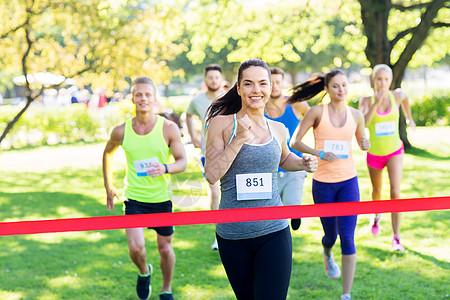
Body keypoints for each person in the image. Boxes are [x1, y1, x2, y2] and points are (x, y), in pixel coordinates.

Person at [204, 58, 317, 300]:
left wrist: (303, 163)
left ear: (270, 87)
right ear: (238, 88)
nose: (257, 90)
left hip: (274, 230)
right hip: (233, 235)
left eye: (262, 83)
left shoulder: (277, 129)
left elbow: (284, 159)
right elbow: (212, 175)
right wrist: (238, 139)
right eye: (249, 84)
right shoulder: (222, 124)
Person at [102, 76, 187, 300]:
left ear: (154, 98)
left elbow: (182, 162)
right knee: (136, 248)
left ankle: (166, 288)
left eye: (148, 94)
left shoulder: (168, 128)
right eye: (138, 94)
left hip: (161, 198)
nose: (143, 99)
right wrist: (108, 185)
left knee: (165, 249)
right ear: (132, 98)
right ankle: (144, 271)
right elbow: (107, 153)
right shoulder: (121, 131)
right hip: (134, 198)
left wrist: (165, 168)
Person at [289, 69, 370, 300]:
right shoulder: (316, 112)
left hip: (348, 183)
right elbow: (295, 141)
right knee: (330, 236)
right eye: (335, 86)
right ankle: (327, 253)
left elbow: (363, 145)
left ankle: (346, 294)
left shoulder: (356, 115)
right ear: (326, 88)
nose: (341, 90)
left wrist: (366, 142)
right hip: (323, 184)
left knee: (348, 237)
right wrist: (319, 153)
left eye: (344, 85)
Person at [358, 64, 415, 251]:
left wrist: (409, 118)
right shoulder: (365, 100)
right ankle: (376, 215)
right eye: (379, 79)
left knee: (395, 192)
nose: (382, 83)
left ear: (391, 80)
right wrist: (376, 102)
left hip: (394, 152)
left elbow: (405, 99)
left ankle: (396, 237)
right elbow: (364, 123)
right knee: (377, 191)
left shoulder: (396, 96)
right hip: (374, 154)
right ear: (373, 80)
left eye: (386, 79)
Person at [264, 67, 310, 230]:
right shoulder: (259, 107)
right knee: (273, 212)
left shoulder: (297, 104)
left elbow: (314, 119)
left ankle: (295, 212)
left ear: (284, 83)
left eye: (278, 82)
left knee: (292, 201)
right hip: (270, 166)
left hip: (294, 161)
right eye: (271, 83)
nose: (274, 86)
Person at [186, 64, 224, 250]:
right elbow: (188, 115)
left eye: (217, 77)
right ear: (205, 79)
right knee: (215, 192)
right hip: (208, 153)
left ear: (221, 79)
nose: (214, 81)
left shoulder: (229, 97)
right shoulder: (198, 99)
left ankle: (236, 231)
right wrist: (193, 137)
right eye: (210, 78)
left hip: (230, 150)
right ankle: (219, 235)